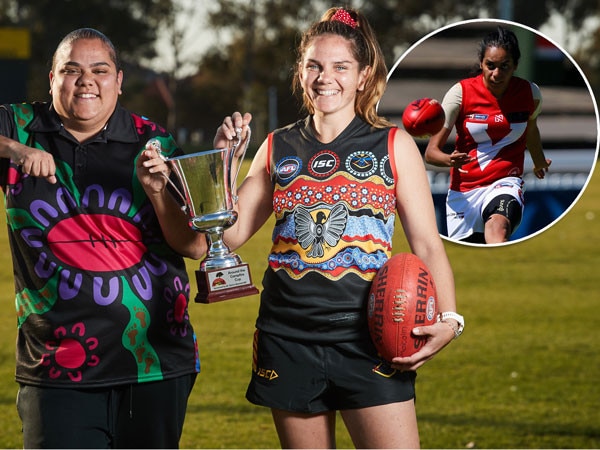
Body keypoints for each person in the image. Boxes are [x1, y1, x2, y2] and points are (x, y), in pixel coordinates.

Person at [214, 8, 462, 448]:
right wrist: (224, 163)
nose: (325, 77)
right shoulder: (277, 145)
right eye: (314, 65)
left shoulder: (393, 144)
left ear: (363, 75)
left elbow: (427, 243)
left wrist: (450, 319)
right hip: (287, 338)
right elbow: (226, 236)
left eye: (340, 66)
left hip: (369, 338)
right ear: (301, 71)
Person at [0, 28, 236, 448]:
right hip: (57, 367)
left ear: (119, 80)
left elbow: (197, 246)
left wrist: (158, 190)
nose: (86, 80)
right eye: (71, 70)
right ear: (51, 78)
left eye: (99, 70)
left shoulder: (155, 141)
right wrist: (14, 151)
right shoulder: (19, 126)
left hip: (156, 362)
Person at [424, 25, 552, 244]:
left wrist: (539, 161)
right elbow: (431, 153)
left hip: (506, 182)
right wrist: (448, 159)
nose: (496, 74)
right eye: (490, 66)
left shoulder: (530, 94)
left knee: (497, 226)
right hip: (463, 192)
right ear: (481, 64)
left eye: (504, 66)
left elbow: (531, 129)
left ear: (515, 66)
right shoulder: (460, 94)